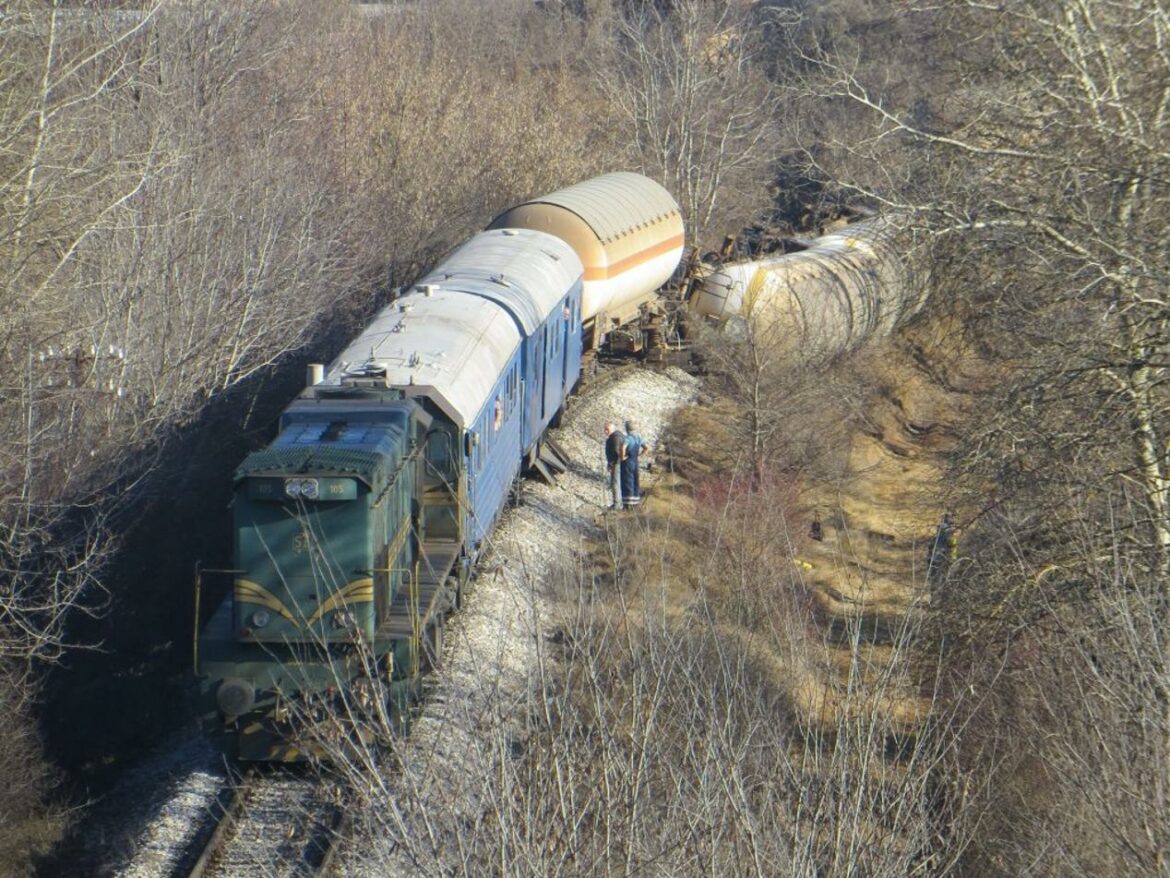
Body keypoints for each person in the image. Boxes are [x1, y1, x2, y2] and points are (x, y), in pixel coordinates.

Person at [622, 419, 645, 507]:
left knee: (628, 481)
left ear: (627, 429)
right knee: (636, 481)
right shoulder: (639, 437)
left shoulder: (628, 438)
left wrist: (622, 457)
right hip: (635, 461)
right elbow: (647, 448)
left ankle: (628, 504)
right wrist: (640, 455)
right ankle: (636, 502)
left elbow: (622, 448)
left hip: (628, 461)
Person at [603, 422, 625, 509]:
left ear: (612, 429)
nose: (605, 432)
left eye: (607, 429)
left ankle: (617, 504)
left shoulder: (615, 438)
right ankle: (619, 503)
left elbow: (616, 452)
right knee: (617, 483)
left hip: (616, 463)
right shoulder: (618, 436)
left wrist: (611, 464)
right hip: (618, 462)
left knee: (615, 483)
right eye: (605, 429)